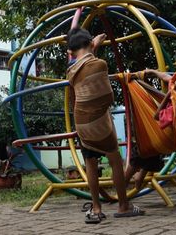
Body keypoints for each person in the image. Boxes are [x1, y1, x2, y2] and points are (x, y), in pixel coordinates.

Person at [66, 28, 145, 224]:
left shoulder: (70, 70)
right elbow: (106, 95)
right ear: (90, 44)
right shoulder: (100, 63)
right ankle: (123, 206)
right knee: (115, 159)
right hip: (100, 121)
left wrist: (94, 45)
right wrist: (95, 44)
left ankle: (96, 207)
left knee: (91, 163)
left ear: (71, 51)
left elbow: (83, 66)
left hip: (82, 121)